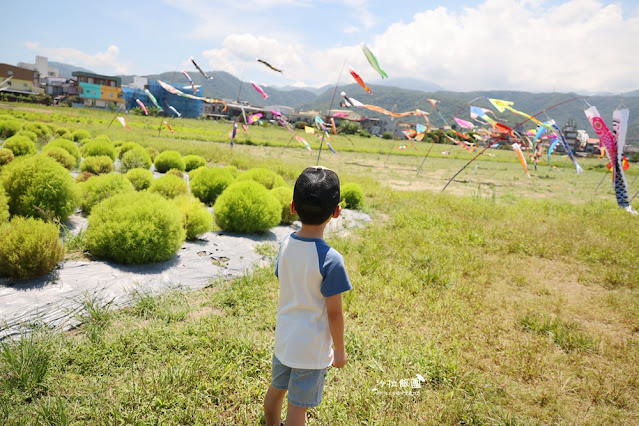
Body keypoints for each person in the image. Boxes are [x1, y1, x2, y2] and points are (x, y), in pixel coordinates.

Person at [263, 166, 352, 426]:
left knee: (276, 390)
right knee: (298, 407)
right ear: (336, 213)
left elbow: (286, 278)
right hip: (310, 350)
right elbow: (335, 313)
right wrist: (340, 351)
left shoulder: (286, 244)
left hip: (285, 340)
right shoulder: (332, 260)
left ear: (293, 207)